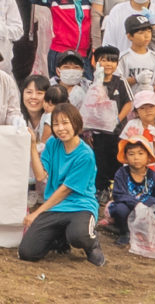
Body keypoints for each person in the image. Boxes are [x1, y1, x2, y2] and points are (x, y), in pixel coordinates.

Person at [19, 102, 105, 265]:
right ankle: (59, 239)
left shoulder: (85, 154)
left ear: (76, 123)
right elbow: (40, 175)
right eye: (56, 124)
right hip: (55, 207)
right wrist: (32, 146)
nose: (60, 128)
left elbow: (65, 190)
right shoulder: (52, 143)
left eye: (65, 123)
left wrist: (37, 213)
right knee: (27, 252)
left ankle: (92, 243)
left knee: (79, 236)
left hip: (80, 206)